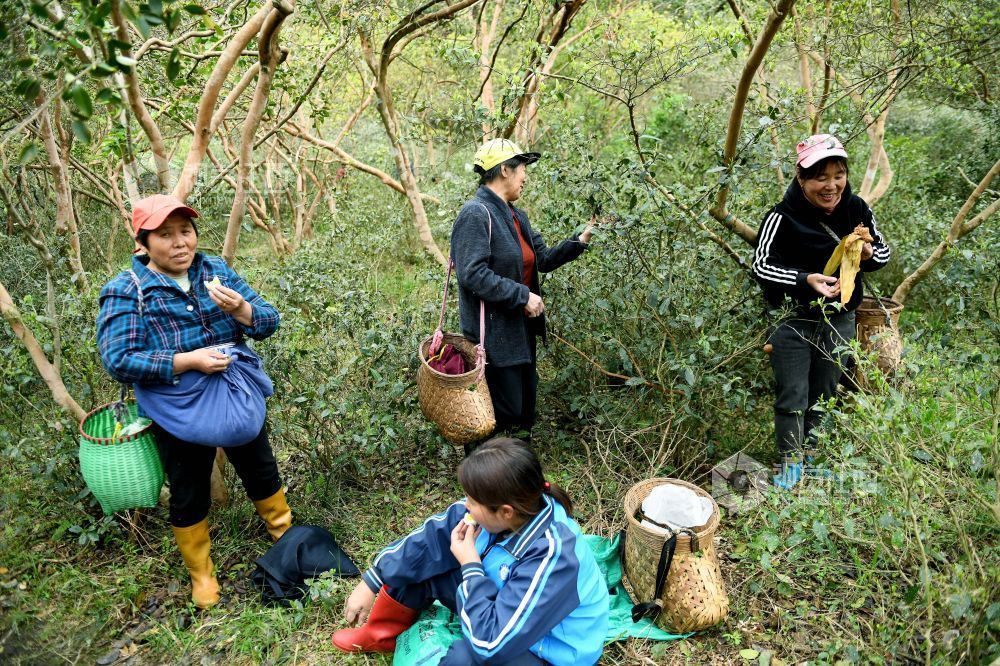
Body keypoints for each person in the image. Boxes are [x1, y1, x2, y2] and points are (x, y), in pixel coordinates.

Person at [97, 194, 292, 608]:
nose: (179, 242)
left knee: (260, 467)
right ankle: (202, 576)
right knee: (188, 488)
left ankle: (286, 537)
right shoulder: (127, 290)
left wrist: (242, 310)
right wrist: (187, 361)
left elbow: (269, 318)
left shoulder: (215, 270)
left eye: (185, 231)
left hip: (234, 395)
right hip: (177, 407)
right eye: (165, 235)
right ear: (143, 243)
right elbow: (119, 359)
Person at [332, 438, 610, 665]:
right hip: (502, 603)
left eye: (472, 500)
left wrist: (471, 566)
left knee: (464, 658)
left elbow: (490, 643)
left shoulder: (553, 553)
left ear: (505, 512)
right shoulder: (497, 507)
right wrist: (372, 580)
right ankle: (381, 635)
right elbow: (429, 540)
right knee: (420, 564)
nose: (465, 505)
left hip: (548, 649)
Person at [752, 134, 891, 488]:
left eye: (839, 175)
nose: (832, 186)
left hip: (840, 319)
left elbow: (885, 252)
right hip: (793, 321)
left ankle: (813, 461)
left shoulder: (857, 208)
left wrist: (869, 255)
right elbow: (761, 266)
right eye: (820, 177)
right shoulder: (781, 217)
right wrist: (805, 280)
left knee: (825, 394)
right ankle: (790, 467)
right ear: (801, 179)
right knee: (793, 395)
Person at [450, 139, 593, 451]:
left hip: (521, 330)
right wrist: (522, 295)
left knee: (524, 405)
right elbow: (471, 273)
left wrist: (581, 239)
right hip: (492, 334)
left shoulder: (516, 216)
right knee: (498, 410)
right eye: (522, 169)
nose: (525, 177)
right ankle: (481, 476)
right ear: (504, 170)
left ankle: (514, 467)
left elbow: (542, 259)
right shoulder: (476, 214)